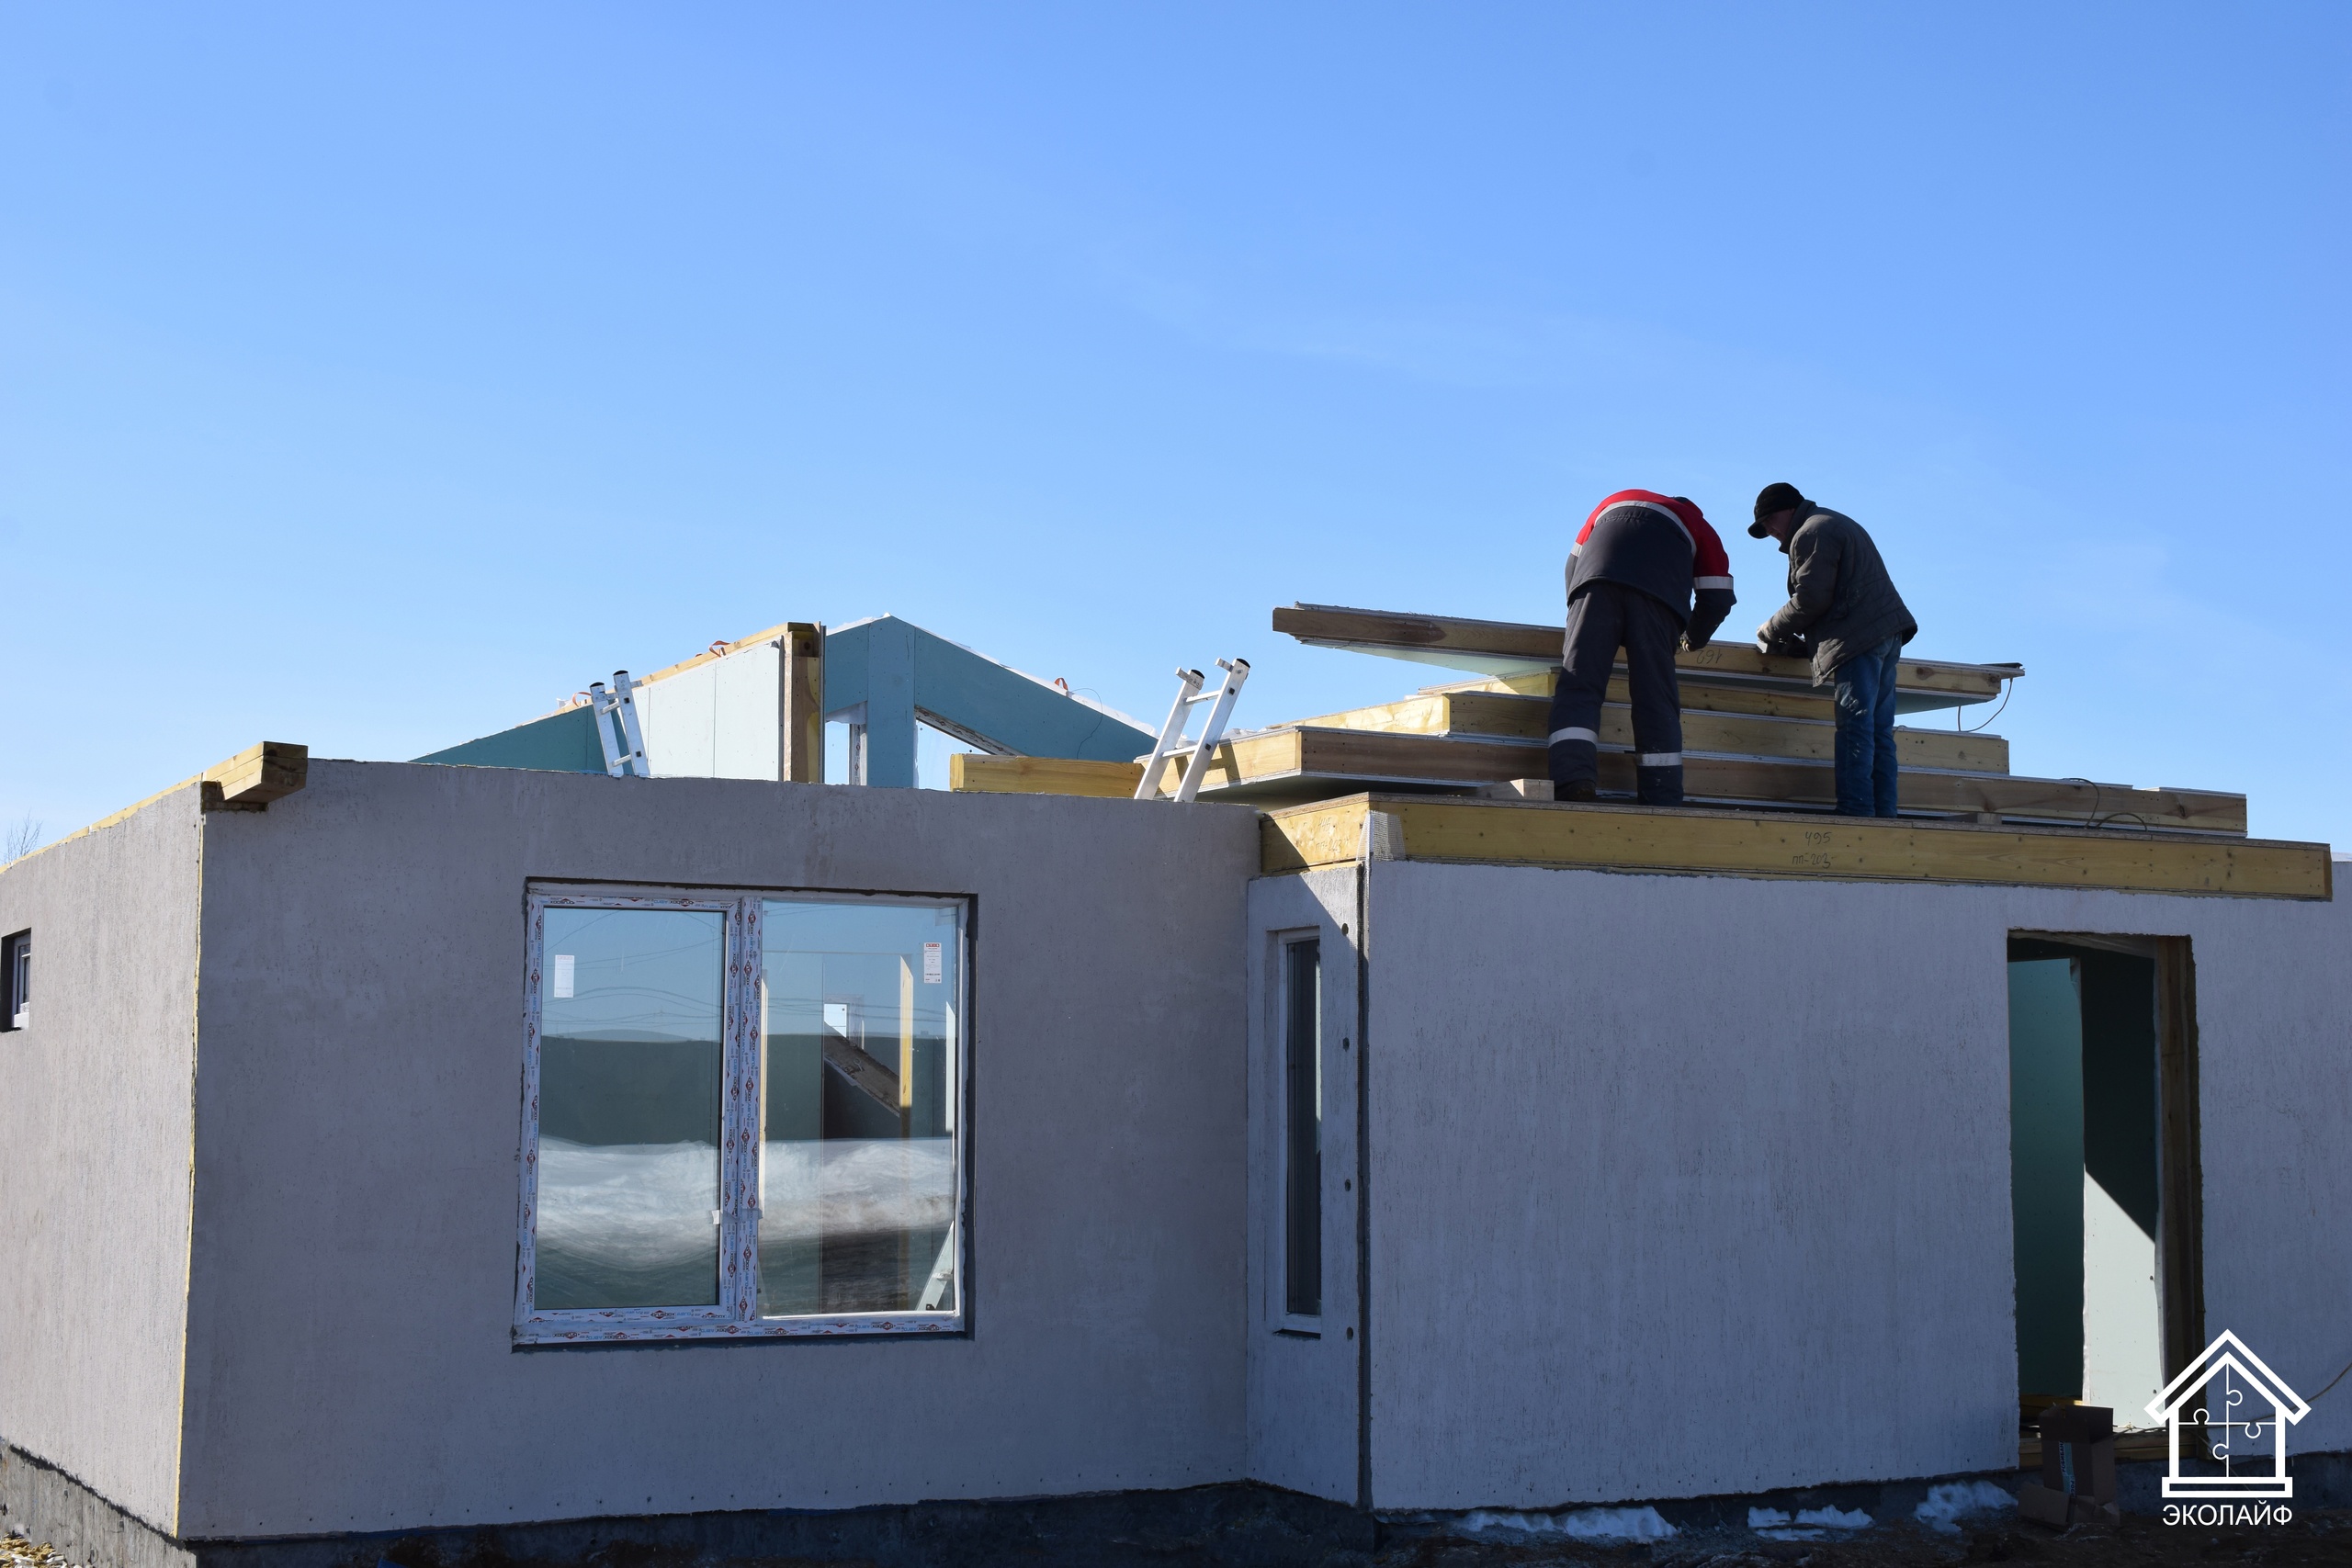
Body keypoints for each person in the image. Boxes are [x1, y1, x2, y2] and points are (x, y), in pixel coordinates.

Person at [1546, 490, 1736, 806]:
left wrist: (1585, 620)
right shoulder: (1698, 525)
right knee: (1655, 698)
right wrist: (1691, 638)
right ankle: (1661, 796)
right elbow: (1717, 597)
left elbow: (1572, 566)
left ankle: (1572, 780)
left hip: (1593, 586)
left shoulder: (1614, 500)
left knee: (1579, 684)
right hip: (1658, 600)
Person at [1747, 482, 1918, 818]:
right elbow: (1837, 595)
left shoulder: (1811, 532)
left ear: (1789, 509)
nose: (1768, 530)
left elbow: (1811, 599)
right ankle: (1884, 815)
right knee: (1878, 730)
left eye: (1769, 520)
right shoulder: (1830, 522)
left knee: (1855, 726)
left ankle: (1856, 811)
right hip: (1884, 633)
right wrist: (1806, 647)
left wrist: (1770, 629)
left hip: (1859, 638)